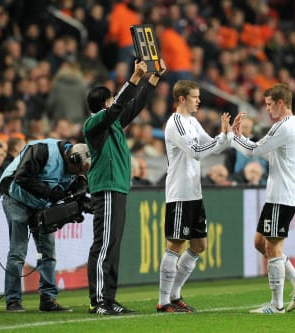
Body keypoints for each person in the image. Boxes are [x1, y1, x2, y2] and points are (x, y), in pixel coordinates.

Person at [83, 58, 166, 315]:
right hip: (106, 187)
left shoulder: (114, 123)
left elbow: (135, 104)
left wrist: (153, 78)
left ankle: (109, 299)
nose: (114, 104)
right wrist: (134, 77)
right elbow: (119, 106)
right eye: (110, 101)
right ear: (104, 103)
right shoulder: (94, 124)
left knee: (113, 245)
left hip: (117, 187)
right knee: (104, 244)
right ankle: (98, 301)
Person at [230, 82, 295, 314]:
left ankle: (276, 305)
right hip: (282, 193)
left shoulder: (284, 127)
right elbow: (266, 153)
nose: (267, 109)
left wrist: (232, 136)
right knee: (261, 243)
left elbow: (253, 151)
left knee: (273, 245)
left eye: (269, 104)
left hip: (282, 194)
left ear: (280, 103)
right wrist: (241, 137)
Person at [157, 80, 232, 312]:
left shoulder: (192, 121)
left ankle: (176, 295)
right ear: (182, 99)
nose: (199, 100)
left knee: (199, 245)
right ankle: (163, 301)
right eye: (194, 97)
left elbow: (211, 145)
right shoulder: (175, 123)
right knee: (175, 244)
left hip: (194, 192)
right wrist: (221, 139)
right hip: (179, 193)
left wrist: (227, 135)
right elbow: (196, 152)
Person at [0, 139, 91, 312]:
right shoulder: (43, 151)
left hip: (40, 203)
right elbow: (21, 177)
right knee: (18, 252)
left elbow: (70, 188)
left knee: (48, 252)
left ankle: (48, 299)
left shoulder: (75, 166)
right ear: (73, 158)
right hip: (16, 198)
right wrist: (50, 193)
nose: (78, 174)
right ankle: (13, 301)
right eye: (78, 170)